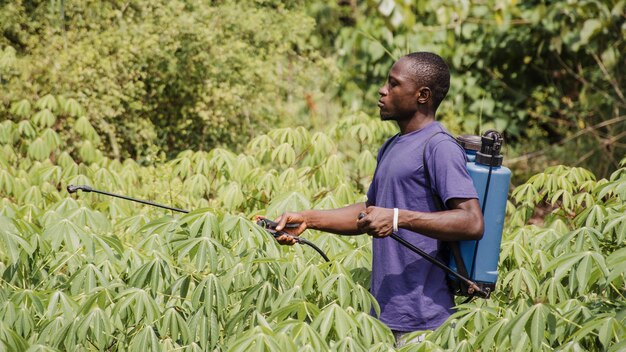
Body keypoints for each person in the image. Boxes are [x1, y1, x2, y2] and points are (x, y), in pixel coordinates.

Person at [274, 52, 484, 343]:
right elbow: (370, 211)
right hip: (383, 316)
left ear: (422, 95)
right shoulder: (392, 145)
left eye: (394, 84)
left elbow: (471, 221)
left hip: (424, 321)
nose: (382, 90)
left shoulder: (439, 147)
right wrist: (307, 219)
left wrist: (398, 218)